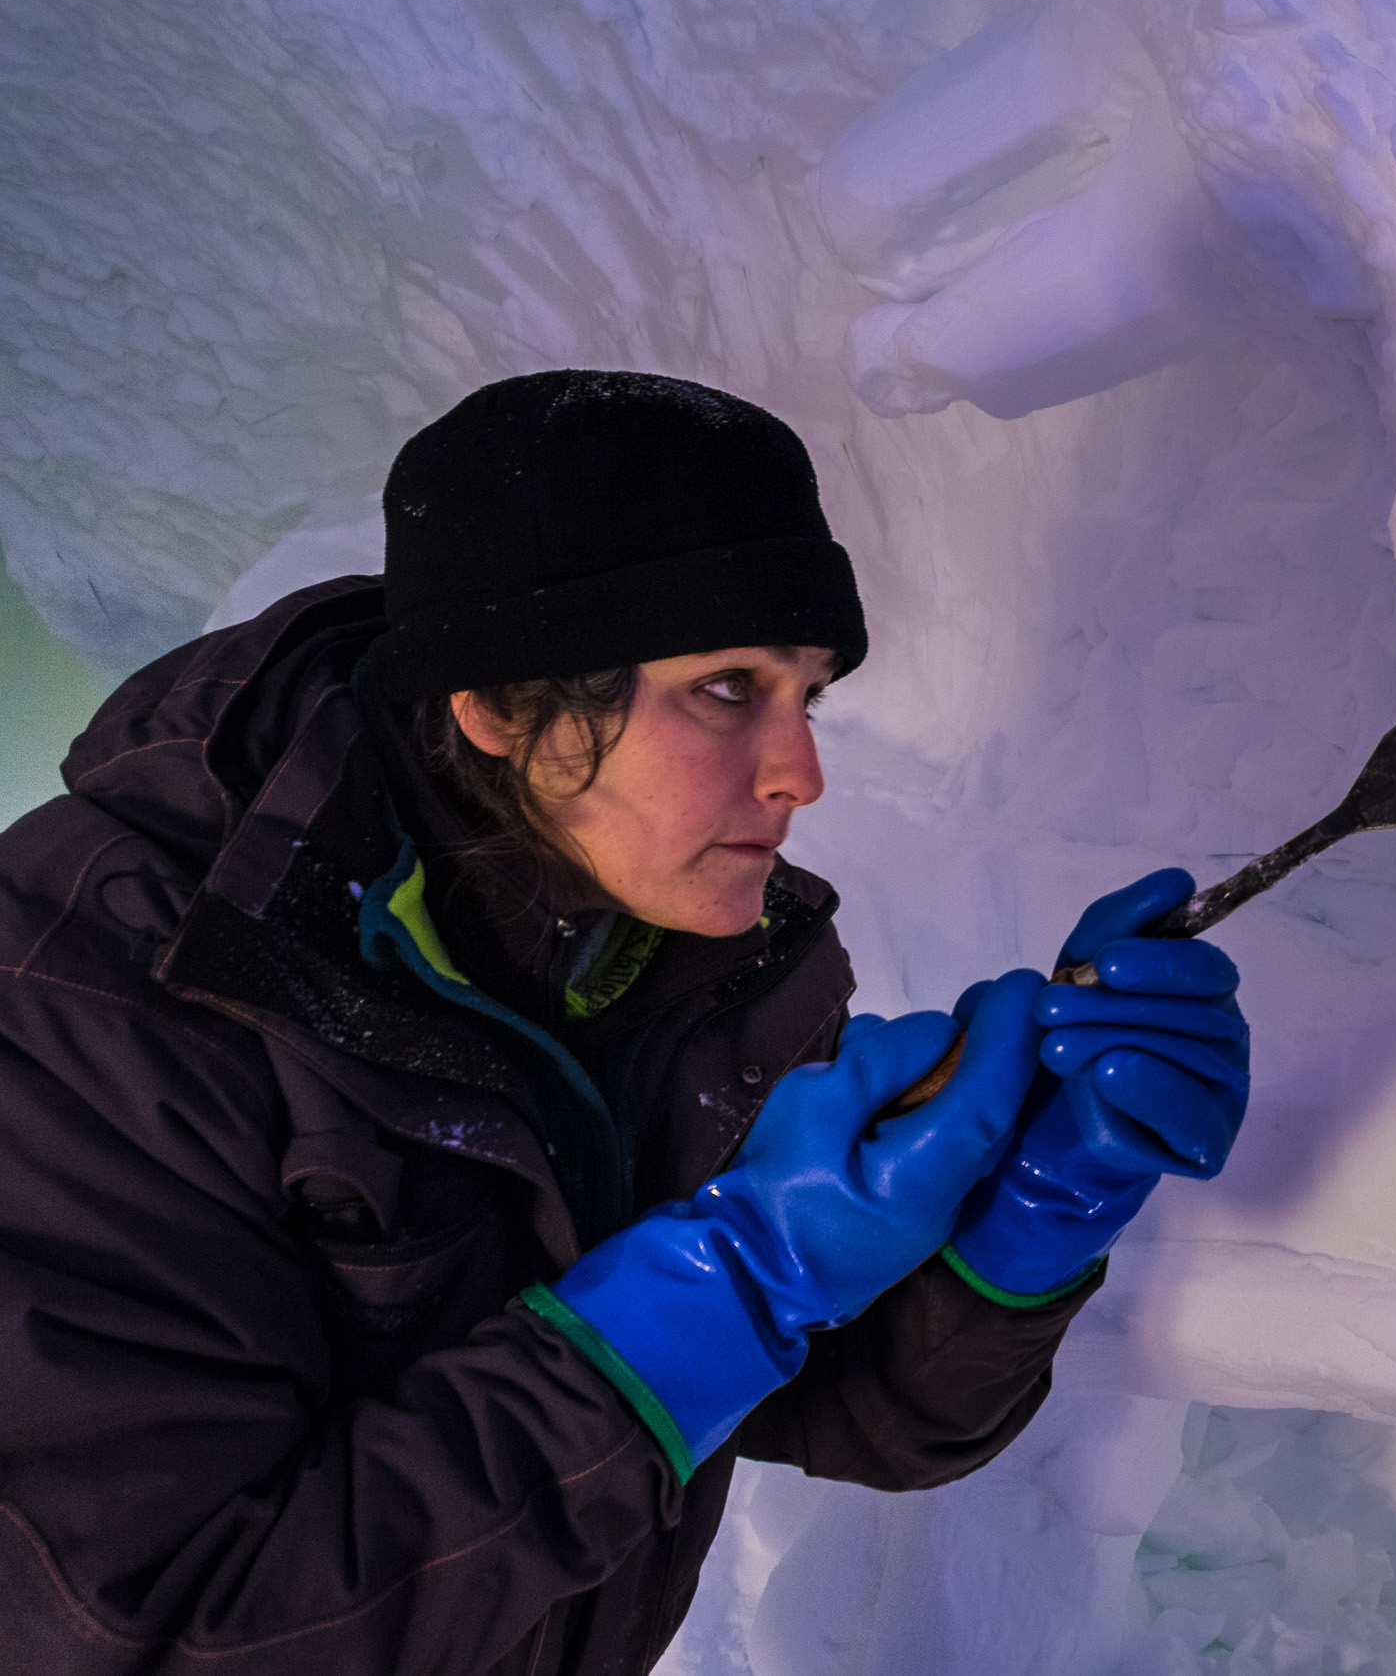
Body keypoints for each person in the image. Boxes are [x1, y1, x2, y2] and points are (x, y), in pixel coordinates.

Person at [0, 370, 1250, 1675]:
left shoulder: (699, 968)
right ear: (497, 705)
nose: (800, 773)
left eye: (806, 693)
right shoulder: (90, 1013)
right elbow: (163, 1640)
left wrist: (1026, 1213)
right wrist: (735, 1270)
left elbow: (839, 1412)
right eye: (724, 690)